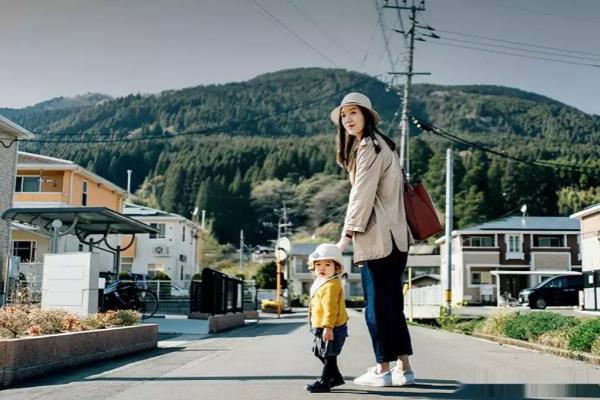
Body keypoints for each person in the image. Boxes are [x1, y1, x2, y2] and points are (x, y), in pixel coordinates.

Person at [331, 92, 415, 387]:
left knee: (376, 308)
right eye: (344, 116)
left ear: (367, 115)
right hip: (397, 240)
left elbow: (361, 196)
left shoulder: (368, 147)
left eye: (354, 113)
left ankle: (382, 369)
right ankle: (404, 368)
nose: (348, 119)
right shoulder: (385, 146)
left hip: (377, 240)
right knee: (392, 306)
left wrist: (345, 236)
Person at [306, 243, 349, 393]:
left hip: (332, 326)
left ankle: (325, 381)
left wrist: (328, 327)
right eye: (318, 265)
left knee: (329, 354)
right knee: (319, 351)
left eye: (327, 264)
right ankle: (336, 377)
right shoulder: (321, 282)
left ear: (337, 268)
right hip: (320, 325)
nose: (322, 268)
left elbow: (331, 308)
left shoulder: (331, 285)